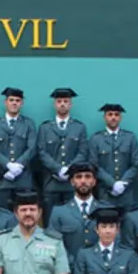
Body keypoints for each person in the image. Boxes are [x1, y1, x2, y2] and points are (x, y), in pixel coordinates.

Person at [37, 88, 89, 219]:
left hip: (72, 182)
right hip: (51, 182)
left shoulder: (79, 127)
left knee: (72, 219)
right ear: (54, 104)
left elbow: (82, 152)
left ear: (71, 104)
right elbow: (41, 152)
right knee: (49, 219)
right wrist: (58, 169)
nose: (62, 104)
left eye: (66, 101)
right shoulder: (45, 127)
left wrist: (69, 170)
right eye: (59, 101)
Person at [0, 87, 38, 210]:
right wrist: (8, 165)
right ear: (6, 102)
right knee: (2, 214)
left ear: (22, 103)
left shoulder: (28, 124)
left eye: (17, 100)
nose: (14, 103)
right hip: (2, 178)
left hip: (23, 178)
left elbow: (32, 148)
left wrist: (18, 166)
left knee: (25, 213)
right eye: (11, 100)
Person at [88, 103, 138, 211]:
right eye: (110, 114)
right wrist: (112, 184)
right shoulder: (96, 139)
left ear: (120, 117)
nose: (113, 117)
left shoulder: (130, 138)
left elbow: (135, 164)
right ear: (104, 117)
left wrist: (123, 183)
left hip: (127, 193)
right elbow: (94, 165)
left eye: (116, 115)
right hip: (104, 193)